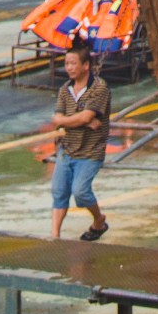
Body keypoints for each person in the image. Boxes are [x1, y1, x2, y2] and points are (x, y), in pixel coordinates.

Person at [47, 40, 111, 241]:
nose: (69, 68)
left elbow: (81, 117)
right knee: (59, 192)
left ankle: (99, 220)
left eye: (73, 64)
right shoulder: (65, 90)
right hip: (67, 150)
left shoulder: (100, 89)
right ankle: (55, 236)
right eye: (67, 63)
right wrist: (81, 120)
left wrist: (73, 120)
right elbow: (58, 119)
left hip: (90, 152)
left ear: (86, 66)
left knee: (81, 192)